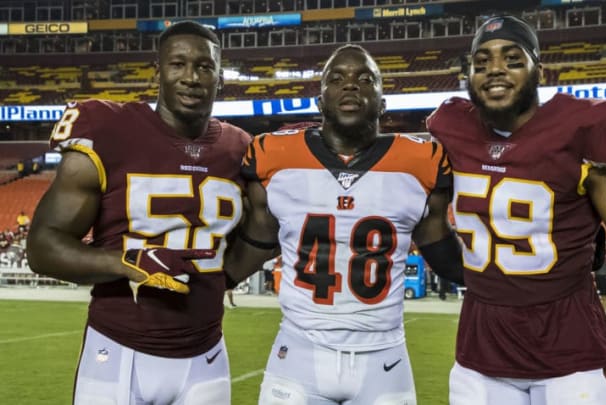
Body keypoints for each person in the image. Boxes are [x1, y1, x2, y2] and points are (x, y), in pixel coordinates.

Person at [426, 15, 606, 405]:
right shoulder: (451, 127)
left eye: (512, 59)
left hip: (570, 357)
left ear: (538, 71)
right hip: (480, 356)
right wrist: (457, 269)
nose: (495, 70)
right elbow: (429, 217)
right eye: (482, 62)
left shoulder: (582, 131)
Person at [26, 21, 251, 405]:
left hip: (207, 353)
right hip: (117, 350)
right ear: (157, 71)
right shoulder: (110, 130)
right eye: (178, 64)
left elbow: (259, 237)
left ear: (220, 79)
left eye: (204, 66)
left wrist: (220, 279)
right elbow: (41, 248)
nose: (191, 77)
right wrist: (128, 261)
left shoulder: (239, 148)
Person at [224, 44, 463, 405]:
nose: (350, 85)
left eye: (365, 79)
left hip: (384, 357)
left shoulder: (422, 160)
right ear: (320, 102)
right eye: (336, 79)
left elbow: (442, 251)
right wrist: (214, 282)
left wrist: (511, 281)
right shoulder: (272, 155)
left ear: (383, 103)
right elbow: (257, 241)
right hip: (298, 351)